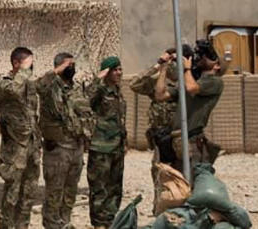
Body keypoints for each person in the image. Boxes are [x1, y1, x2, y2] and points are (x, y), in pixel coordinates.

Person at [37, 52, 93, 229]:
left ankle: (65, 222)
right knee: (54, 192)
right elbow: (38, 86)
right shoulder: (50, 87)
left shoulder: (77, 88)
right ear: (59, 66)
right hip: (58, 149)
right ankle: (52, 225)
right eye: (69, 65)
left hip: (76, 147)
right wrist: (57, 71)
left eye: (73, 65)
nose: (72, 68)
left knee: (70, 192)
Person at [154, 39, 224, 171]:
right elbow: (160, 95)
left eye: (210, 57)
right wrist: (164, 67)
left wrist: (186, 68)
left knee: (191, 179)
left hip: (192, 140)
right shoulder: (189, 80)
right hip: (177, 139)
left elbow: (192, 88)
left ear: (217, 66)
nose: (203, 58)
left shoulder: (215, 82)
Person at [0, 47, 41, 229]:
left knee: (28, 195)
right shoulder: (5, 84)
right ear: (16, 63)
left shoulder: (29, 85)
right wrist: (23, 72)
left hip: (31, 148)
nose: (32, 67)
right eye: (29, 63)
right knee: (11, 196)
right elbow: (13, 91)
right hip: (14, 151)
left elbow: (32, 116)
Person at [129, 47, 178, 213]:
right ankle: (160, 207)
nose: (172, 65)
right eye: (170, 61)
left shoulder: (184, 83)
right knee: (158, 171)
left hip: (178, 135)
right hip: (159, 136)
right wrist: (158, 65)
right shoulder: (158, 82)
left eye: (174, 61)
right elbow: (134, 84)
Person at [86, 56, 126, 229]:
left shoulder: (117, 92)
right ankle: (99, 224)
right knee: (99, 189)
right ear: (107, 72)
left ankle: (111, 221)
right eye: (115, 70)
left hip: (117, 147)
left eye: (120, 69)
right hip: (101, 147)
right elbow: (85, 100)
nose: (119, 73)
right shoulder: (100, 91)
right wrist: (98, 79)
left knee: (115, 187)